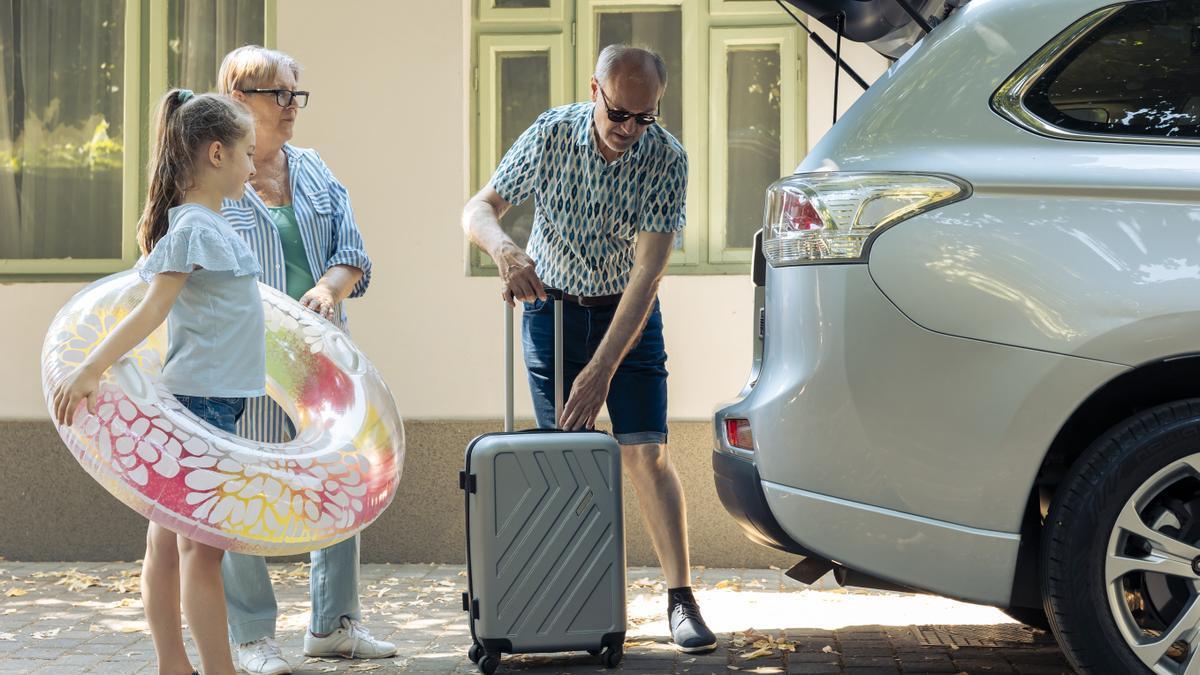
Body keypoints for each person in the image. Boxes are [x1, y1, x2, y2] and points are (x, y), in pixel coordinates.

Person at [462, 44, 717, 653]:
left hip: (626, 312)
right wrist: (505, 250)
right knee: (566, 460)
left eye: (645, 116)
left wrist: (605, 365)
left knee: (645, 454)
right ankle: (568, 599)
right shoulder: (551, 135)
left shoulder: (664, 157)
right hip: (550, 310)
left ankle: (680, 600)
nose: (630, 129)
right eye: (620, 114)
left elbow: (648, 271)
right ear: (595, 91)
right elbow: (479, 209)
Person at [52, 89, 261, 675]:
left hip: (210, 399)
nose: (252, 164)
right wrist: (91, 367)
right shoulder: (196, 228)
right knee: (202, 548)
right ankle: (214, 668)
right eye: (247, 153)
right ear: (216, 154)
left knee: (168, 540)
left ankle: (175, 665)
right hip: (202, 404)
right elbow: (151, 309)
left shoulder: (208, 223)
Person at [214, 45, 389, 675]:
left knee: (339, 477)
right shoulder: (211, 175)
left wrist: (329, 288)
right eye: (278, 95)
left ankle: (334, 626)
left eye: (296, 94)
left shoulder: (314, 169)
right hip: (245, 364)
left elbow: (352, 249)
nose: (291, 107)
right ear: (239, 98)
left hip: (323, 361)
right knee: (245, 484)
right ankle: (254, 636)